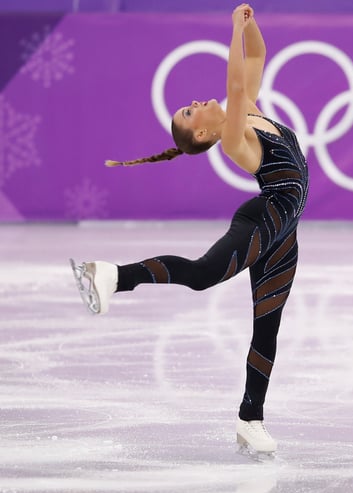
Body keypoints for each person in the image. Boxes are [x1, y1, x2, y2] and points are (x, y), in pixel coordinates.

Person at [70, 3, 308, 454]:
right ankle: (111, 275)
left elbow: (255, 59)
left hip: (285, 233)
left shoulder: (253, 111)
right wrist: (230, 31)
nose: (196, 103)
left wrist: (249, 25)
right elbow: (236, 83)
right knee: (201, 276)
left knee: (267, 326)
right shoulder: (237, 137)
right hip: (263, 219)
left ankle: (250, 420)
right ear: (201, 135)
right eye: (188, 111)